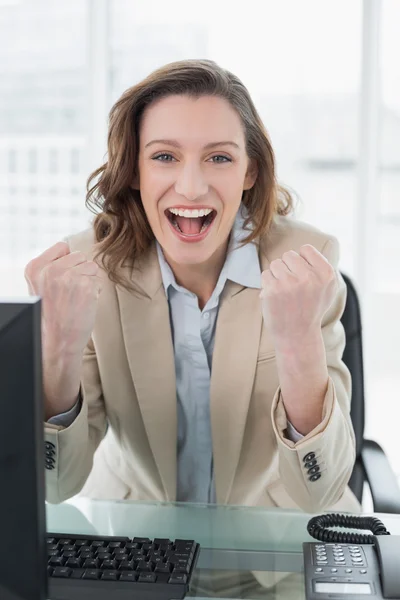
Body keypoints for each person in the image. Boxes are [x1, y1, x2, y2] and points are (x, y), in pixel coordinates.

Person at [25, 59, 360, 513]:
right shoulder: (88, 272)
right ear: (135, 170)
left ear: (250, 172)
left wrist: (299, 341)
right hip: (138, 544)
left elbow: (319, 491)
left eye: (219, 157)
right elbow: (53, 485)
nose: (192, 187)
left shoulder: (306, 261)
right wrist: (57, 345)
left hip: (275, 550)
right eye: (164, 157)